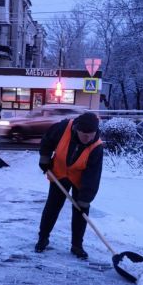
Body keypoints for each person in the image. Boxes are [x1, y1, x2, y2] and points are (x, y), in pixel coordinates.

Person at [35, 111, 103, 259]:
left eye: (90, 134)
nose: (87, 138)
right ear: (76, 128)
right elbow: (47, 141)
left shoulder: (97, 147)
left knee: (81, 211)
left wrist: (85, 198)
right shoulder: (63, 128)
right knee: (52, 207)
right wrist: (45, 159)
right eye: (83, 134)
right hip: (59, 173)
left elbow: (93, 175)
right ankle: (43, 238)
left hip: (81, 179)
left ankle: (77, 245)